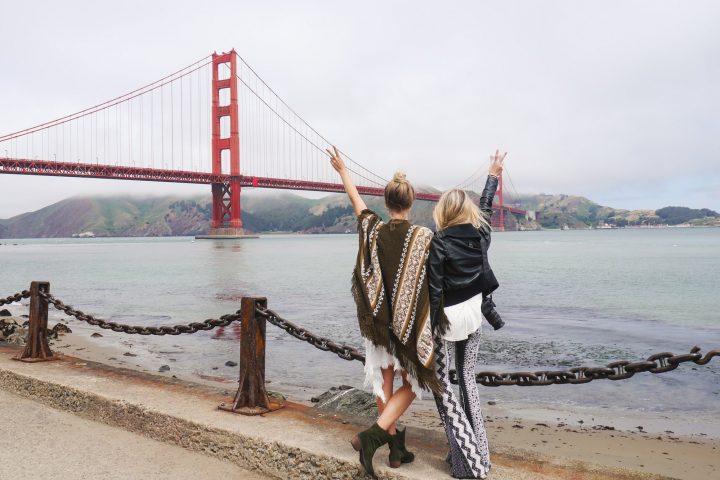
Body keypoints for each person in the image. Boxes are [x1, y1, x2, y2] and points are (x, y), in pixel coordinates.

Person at [328, 145, 441, 478]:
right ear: (411, 202)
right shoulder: (424, 237)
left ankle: (392, 447)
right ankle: (378, 440)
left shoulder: (373, 230)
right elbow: (431, 284)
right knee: (413, 384)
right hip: (407, 326)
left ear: (388, 202)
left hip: (379, 323)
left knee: (384, 382)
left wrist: (343, 172)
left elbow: (357, 204)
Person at [427, 150, 507, 479]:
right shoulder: (481, 236)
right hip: (474, 317)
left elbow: (433, 289)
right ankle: (481, 454)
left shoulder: (439, 241)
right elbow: (486, 208)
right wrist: (493, 175)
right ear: (468, 211)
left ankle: (469, 462)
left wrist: (432, 327)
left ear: (444, 212)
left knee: (444, 387)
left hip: (446, 321)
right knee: (469, 382)